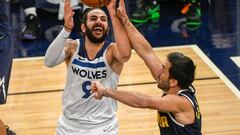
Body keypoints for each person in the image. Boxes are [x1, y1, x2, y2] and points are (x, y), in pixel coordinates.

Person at [91, 0, 202, 134]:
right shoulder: (172, 84)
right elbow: (147, 53)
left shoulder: (179, 102)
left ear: (173, 81)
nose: (159, 70)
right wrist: (124, 19)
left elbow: (143, 101)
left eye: (164, 69)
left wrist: (105, 91)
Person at [44, 0, 131, 134]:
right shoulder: (72, 47)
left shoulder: (112, 51)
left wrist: (113, 15)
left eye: (103, 19)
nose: (98, 22)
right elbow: (49, 61)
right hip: (69, 125)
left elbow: (125, 55)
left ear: (107, 29)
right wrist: (66, 29)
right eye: (93, 18)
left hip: (103, 126)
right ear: (84, 28)